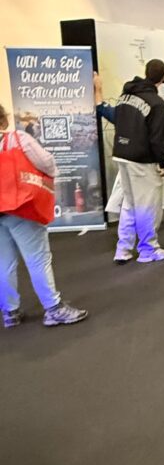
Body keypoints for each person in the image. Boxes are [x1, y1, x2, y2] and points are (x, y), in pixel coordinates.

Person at [0, 103, 88, 327]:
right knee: (38, 258)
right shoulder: (16, 139)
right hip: (20, 206)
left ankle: (10, 312)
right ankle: (53, 308)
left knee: (4, 263)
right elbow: (47, 162)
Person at [112, 58, 164, 263]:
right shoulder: (157, 103)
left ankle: (123, 248)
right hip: (142, 159)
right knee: (147, 204)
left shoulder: (125, 95)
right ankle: (148, 249)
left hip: (121, 153)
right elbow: (157, 137)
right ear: (163, 78)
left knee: (129, 203)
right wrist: (161, 162)